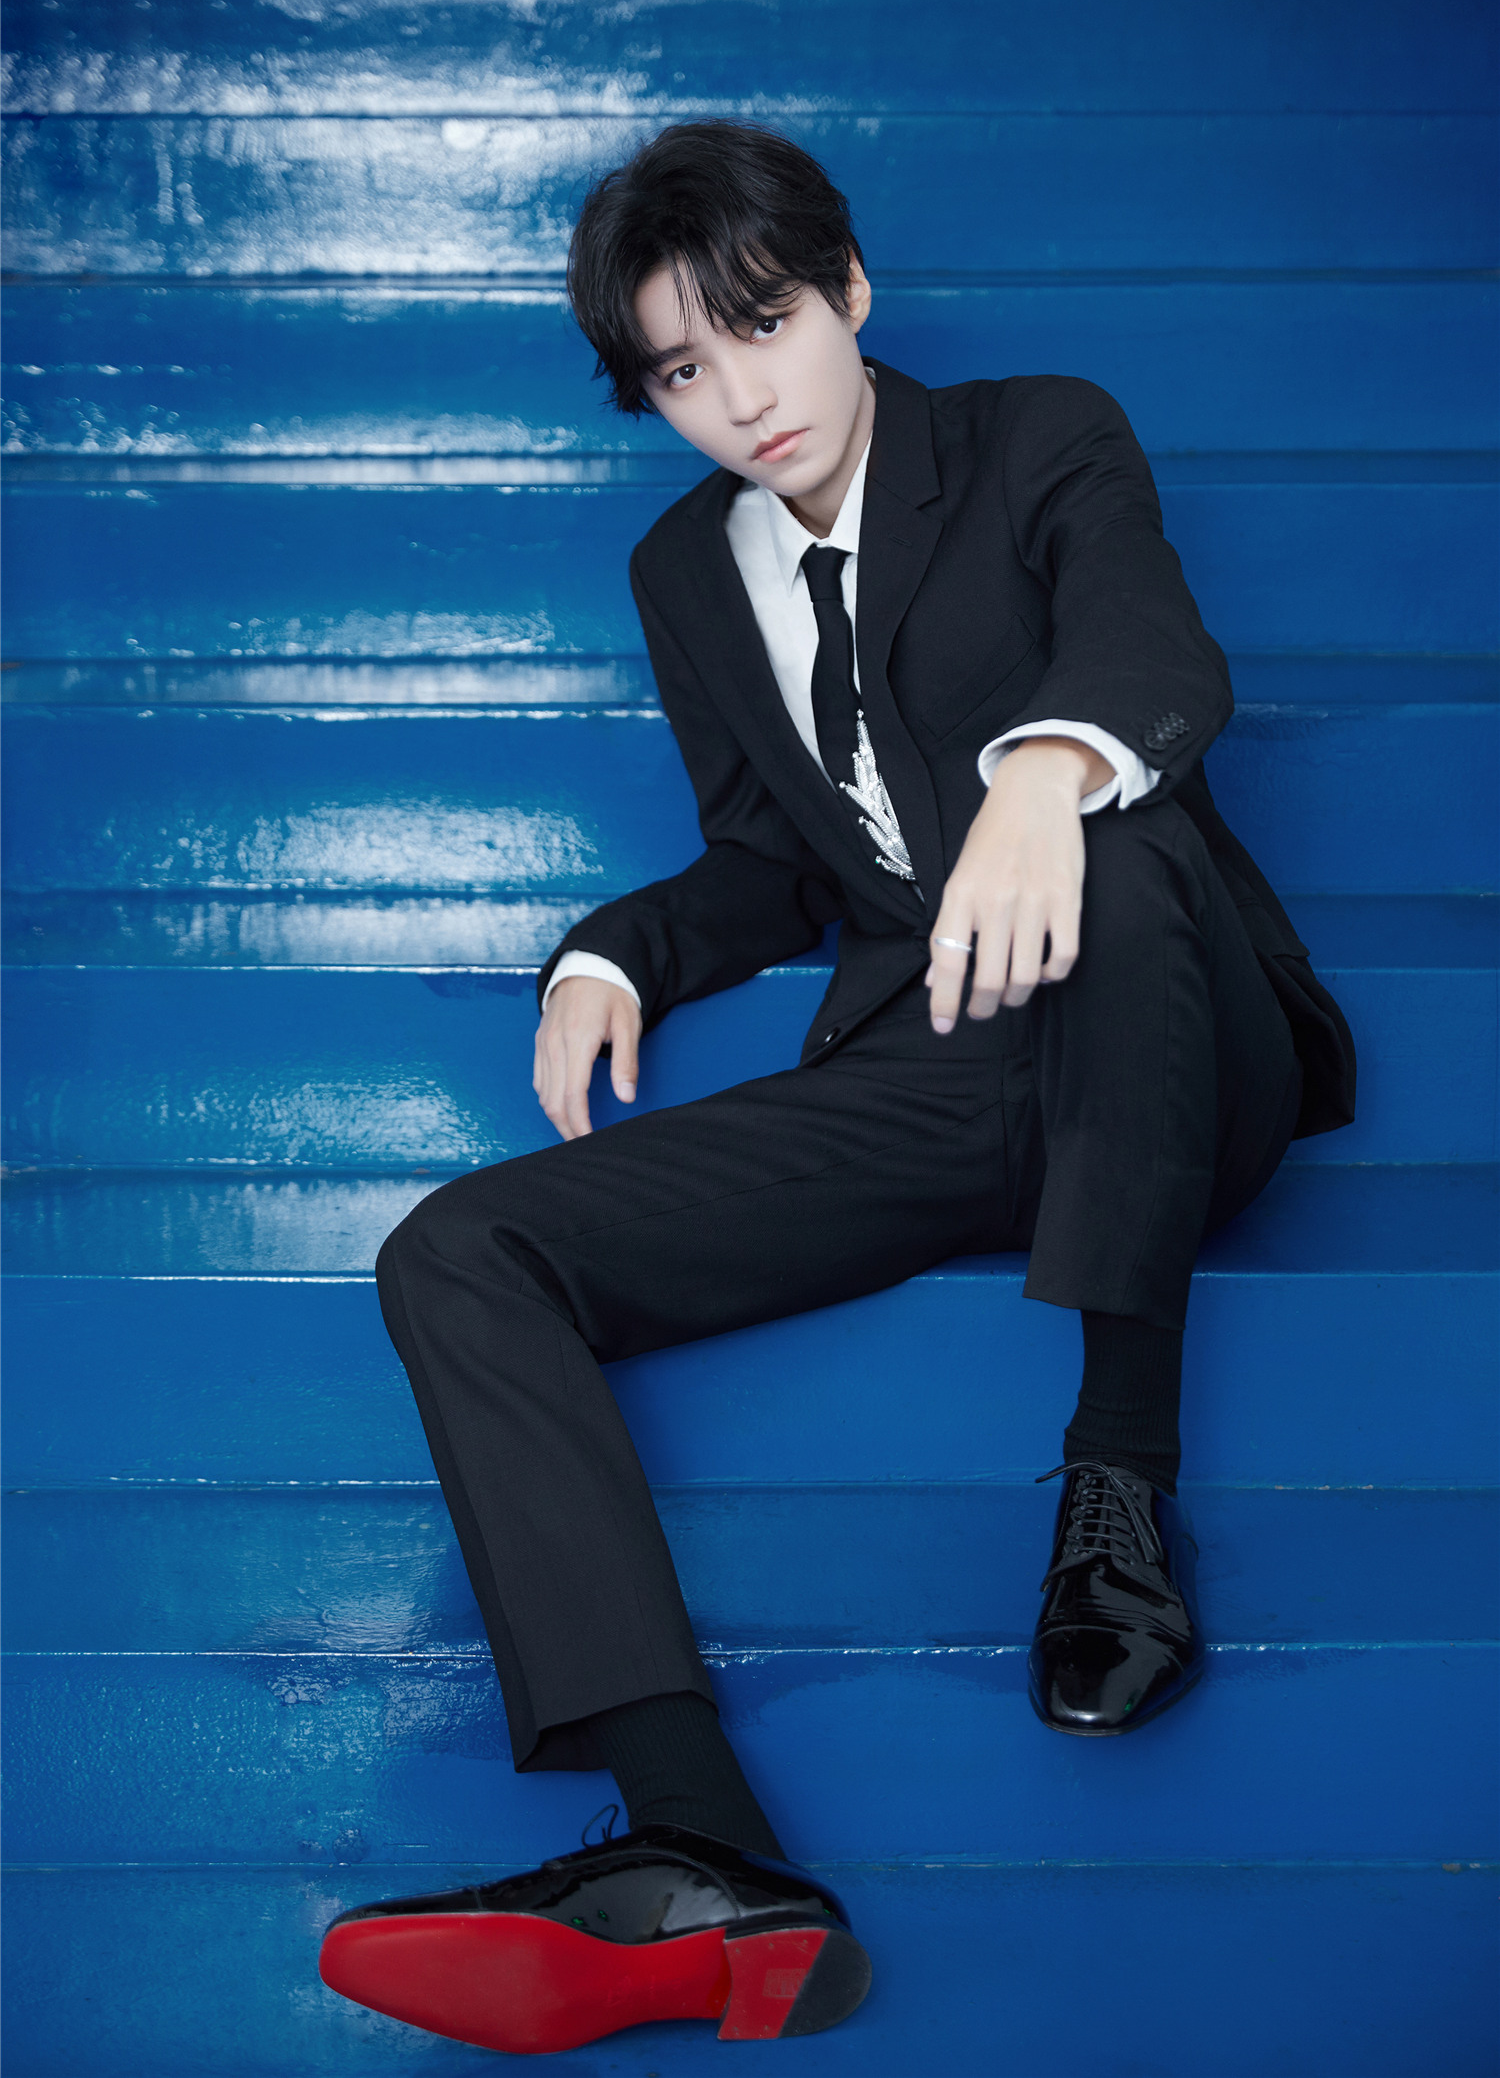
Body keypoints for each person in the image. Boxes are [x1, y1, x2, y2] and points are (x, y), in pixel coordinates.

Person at [318, 120, 1355, 2056]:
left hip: (1181, 1042)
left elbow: (1153, 652)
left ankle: (1117, 1496)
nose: (739, 399)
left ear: (852, 291)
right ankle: (701, 1846)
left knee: (1120, 832)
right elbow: (769, 862)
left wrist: (1048, 777)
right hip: (944, 1060)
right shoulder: (687, 569)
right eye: (680, 372)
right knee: (458, 1252)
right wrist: (615, 951)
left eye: (766, 326)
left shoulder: (1039, 436)